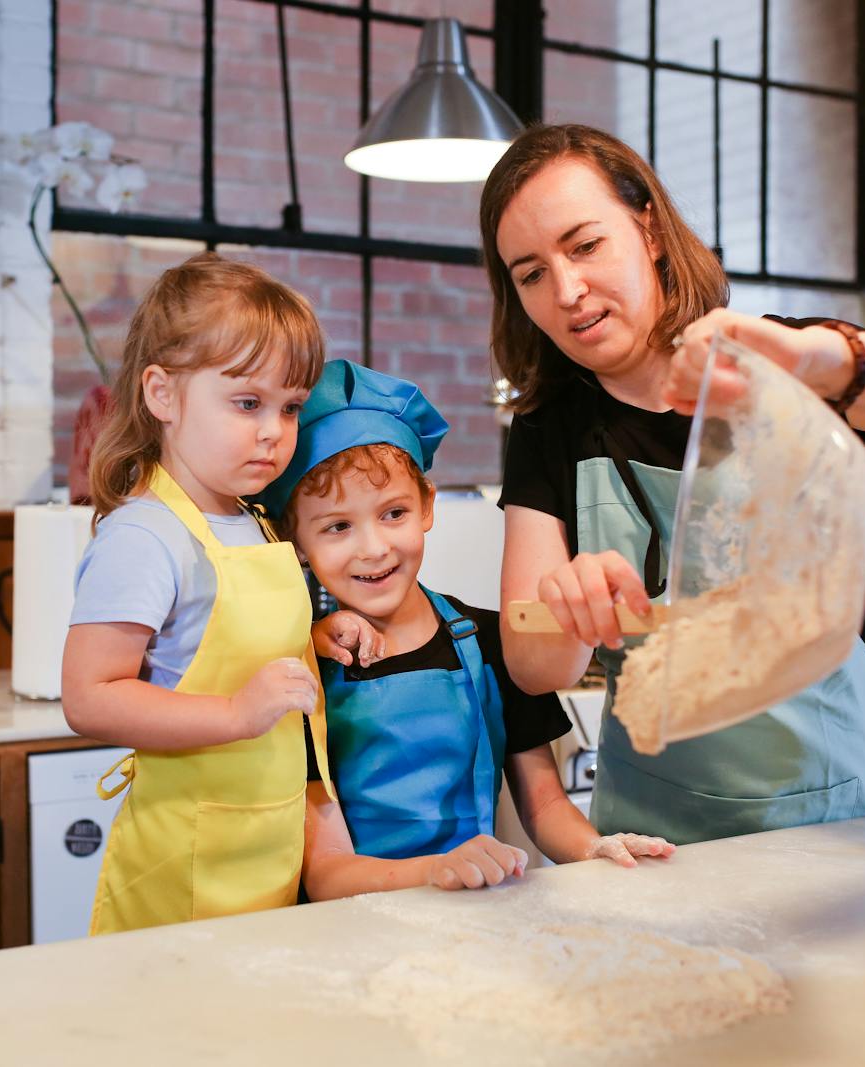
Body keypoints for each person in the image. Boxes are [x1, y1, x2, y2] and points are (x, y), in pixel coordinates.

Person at [482, 124, 865, 845]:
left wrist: (819, 358)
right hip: (655, 832)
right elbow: (532, 667)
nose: (568, 290)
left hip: (839, 814)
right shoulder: (547, 427)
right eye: (530, 274)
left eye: (585, 245)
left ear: (648, 228)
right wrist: (572, 607)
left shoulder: (774, 366)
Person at [252, 360, 672, 897]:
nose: (374, 548)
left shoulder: (492, 642)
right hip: (354, 937)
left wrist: (594, 850)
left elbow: (544, 804)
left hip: (474, 920)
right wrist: (437, 869)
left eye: (393, 514)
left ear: (427, 505)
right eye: (337, 526)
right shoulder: (302, 671)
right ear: (294, 536)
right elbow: (328, 873)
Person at [60, 252, 332, 933]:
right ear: (163, 394)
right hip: (182, 866)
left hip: (262, 850)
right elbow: (89, 696)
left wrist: (322, 641)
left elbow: (233, 650)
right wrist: (237, 713)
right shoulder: (145, 535)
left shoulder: (253, 518)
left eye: (290, 406)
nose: (274, 430)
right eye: (247, 402)